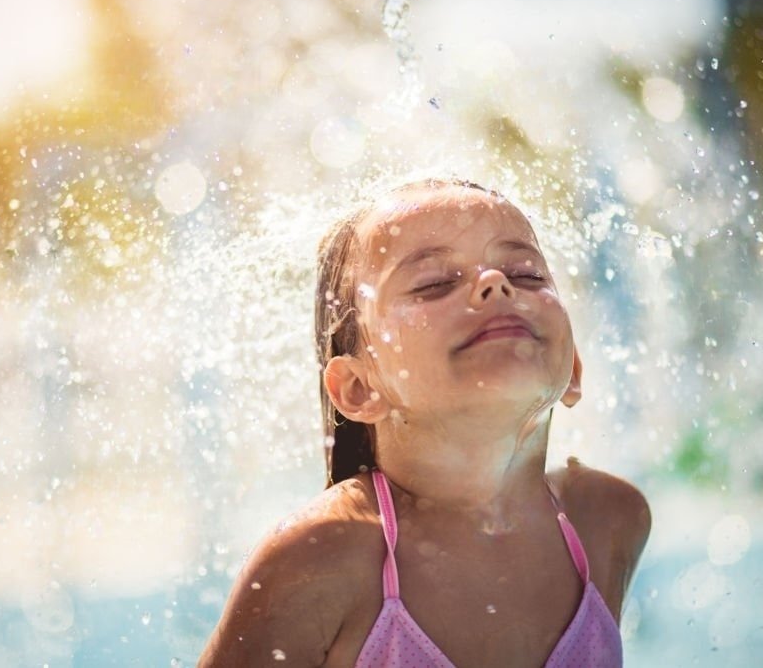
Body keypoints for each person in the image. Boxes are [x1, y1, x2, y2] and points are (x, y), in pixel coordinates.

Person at [199, 178, 651, 667]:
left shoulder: (607, 520)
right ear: (359, 389)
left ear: (574, 370)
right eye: (434, 283)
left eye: (525, 275)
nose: (494, 283)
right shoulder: (322, 560)